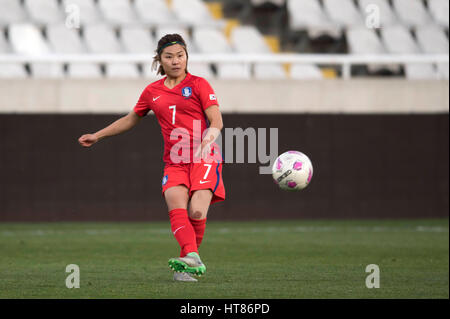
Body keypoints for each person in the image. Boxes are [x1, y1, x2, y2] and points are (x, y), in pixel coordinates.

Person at [78, 34, 225, 282]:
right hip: (175, 161)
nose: (176, 61)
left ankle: (188, 260)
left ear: (187, 56)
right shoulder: (152, 91)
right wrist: (98, 135)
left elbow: (216, 121)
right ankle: (191, 256)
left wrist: (207, 141)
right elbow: (131, 118)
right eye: (169, 56)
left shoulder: (199, 84)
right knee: (175, 203)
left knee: (197, 212)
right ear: (160, 59)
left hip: (204, 157)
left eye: (180, 55)